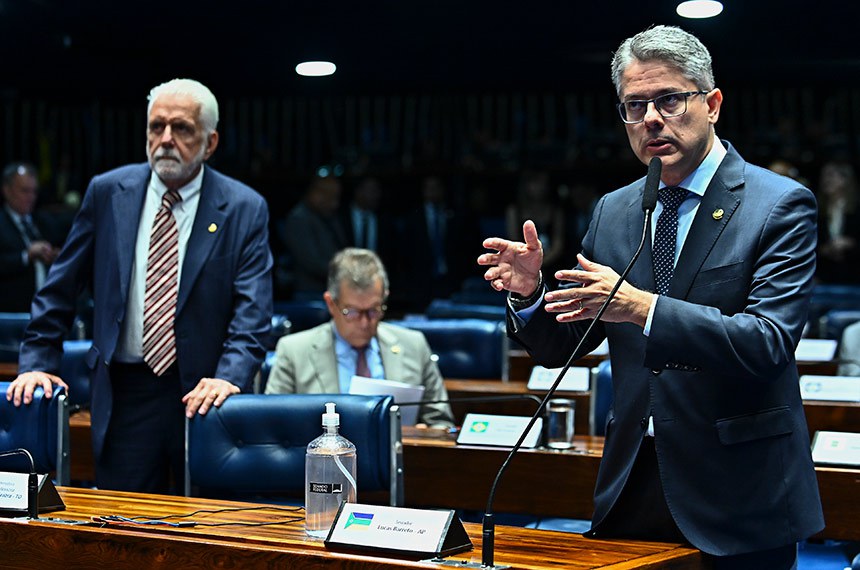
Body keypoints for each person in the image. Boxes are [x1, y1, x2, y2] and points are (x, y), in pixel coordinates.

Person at [478, 26, 822, 568]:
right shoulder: (615, 210)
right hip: (634, 484)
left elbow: (768, 342)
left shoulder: (777, 204)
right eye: (635, 106)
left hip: (739, 492)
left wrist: (643, 308)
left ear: (712, 104)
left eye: (669, 100)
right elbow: (563, 346)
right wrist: (530, 293)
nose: (652, 119)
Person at [5, 79, 274, 494]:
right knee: (122, 520)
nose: (165, 139)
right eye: (156, 126)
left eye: (181, 128)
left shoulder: (243, 207)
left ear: (210, 142)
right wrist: (38, 361)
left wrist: (229, 377)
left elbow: (252, 311)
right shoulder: (108, 192)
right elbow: (60, 287)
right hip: (125, 392)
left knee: (210, 522)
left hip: (206, 396)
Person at [266, 247, 454, 428]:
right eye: (352, 312)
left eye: (373, 310)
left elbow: (441, 423)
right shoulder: (294, 351)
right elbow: (271, 426)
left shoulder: (414, 345)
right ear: (330, 303)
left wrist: (424, 434)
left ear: (384, 298)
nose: (364, 323)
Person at [0, 162, 61, 312]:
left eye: (34, 191)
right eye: (25, 191)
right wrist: (27, 255)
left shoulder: (43, 222)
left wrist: (55, 255)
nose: (31, 197)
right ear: (7, 190)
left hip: (47, 309)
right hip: (12, 311)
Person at [282, 173, 348, 298]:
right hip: (308, 293)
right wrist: (345, 271)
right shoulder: (299, 219)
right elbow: (311, 262)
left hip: (331, 289)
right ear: (316, 194)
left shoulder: (330, 217)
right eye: (331, 198)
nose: (335, 204)